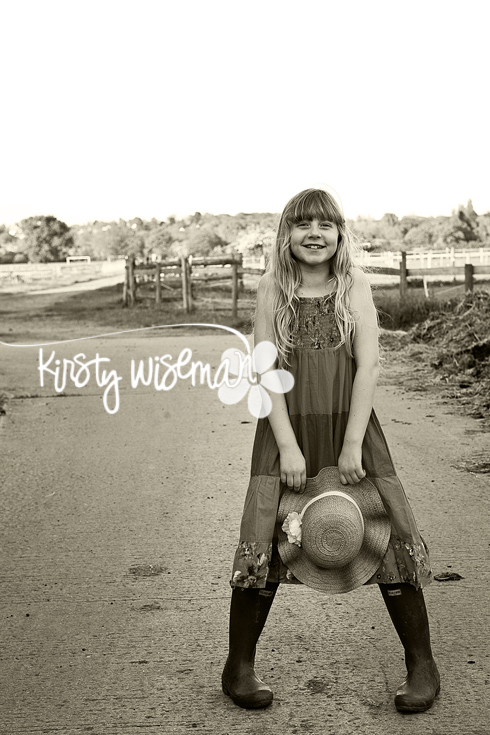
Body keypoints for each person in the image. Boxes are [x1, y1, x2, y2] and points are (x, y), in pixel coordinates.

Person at [221, 187, 440, 713]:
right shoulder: (273, 287)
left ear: (340, 234)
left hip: (351, 428)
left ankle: (422, 664)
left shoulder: (353, 284)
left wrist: (352, 443)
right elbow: (264, 369)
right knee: (267, 536)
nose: (314, 233)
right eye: (302, 224)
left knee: (387, 533)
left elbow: (368, 365)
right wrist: (288, 446)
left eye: (325, 224)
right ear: (286, 234)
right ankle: (239, 666)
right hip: (287, 431)